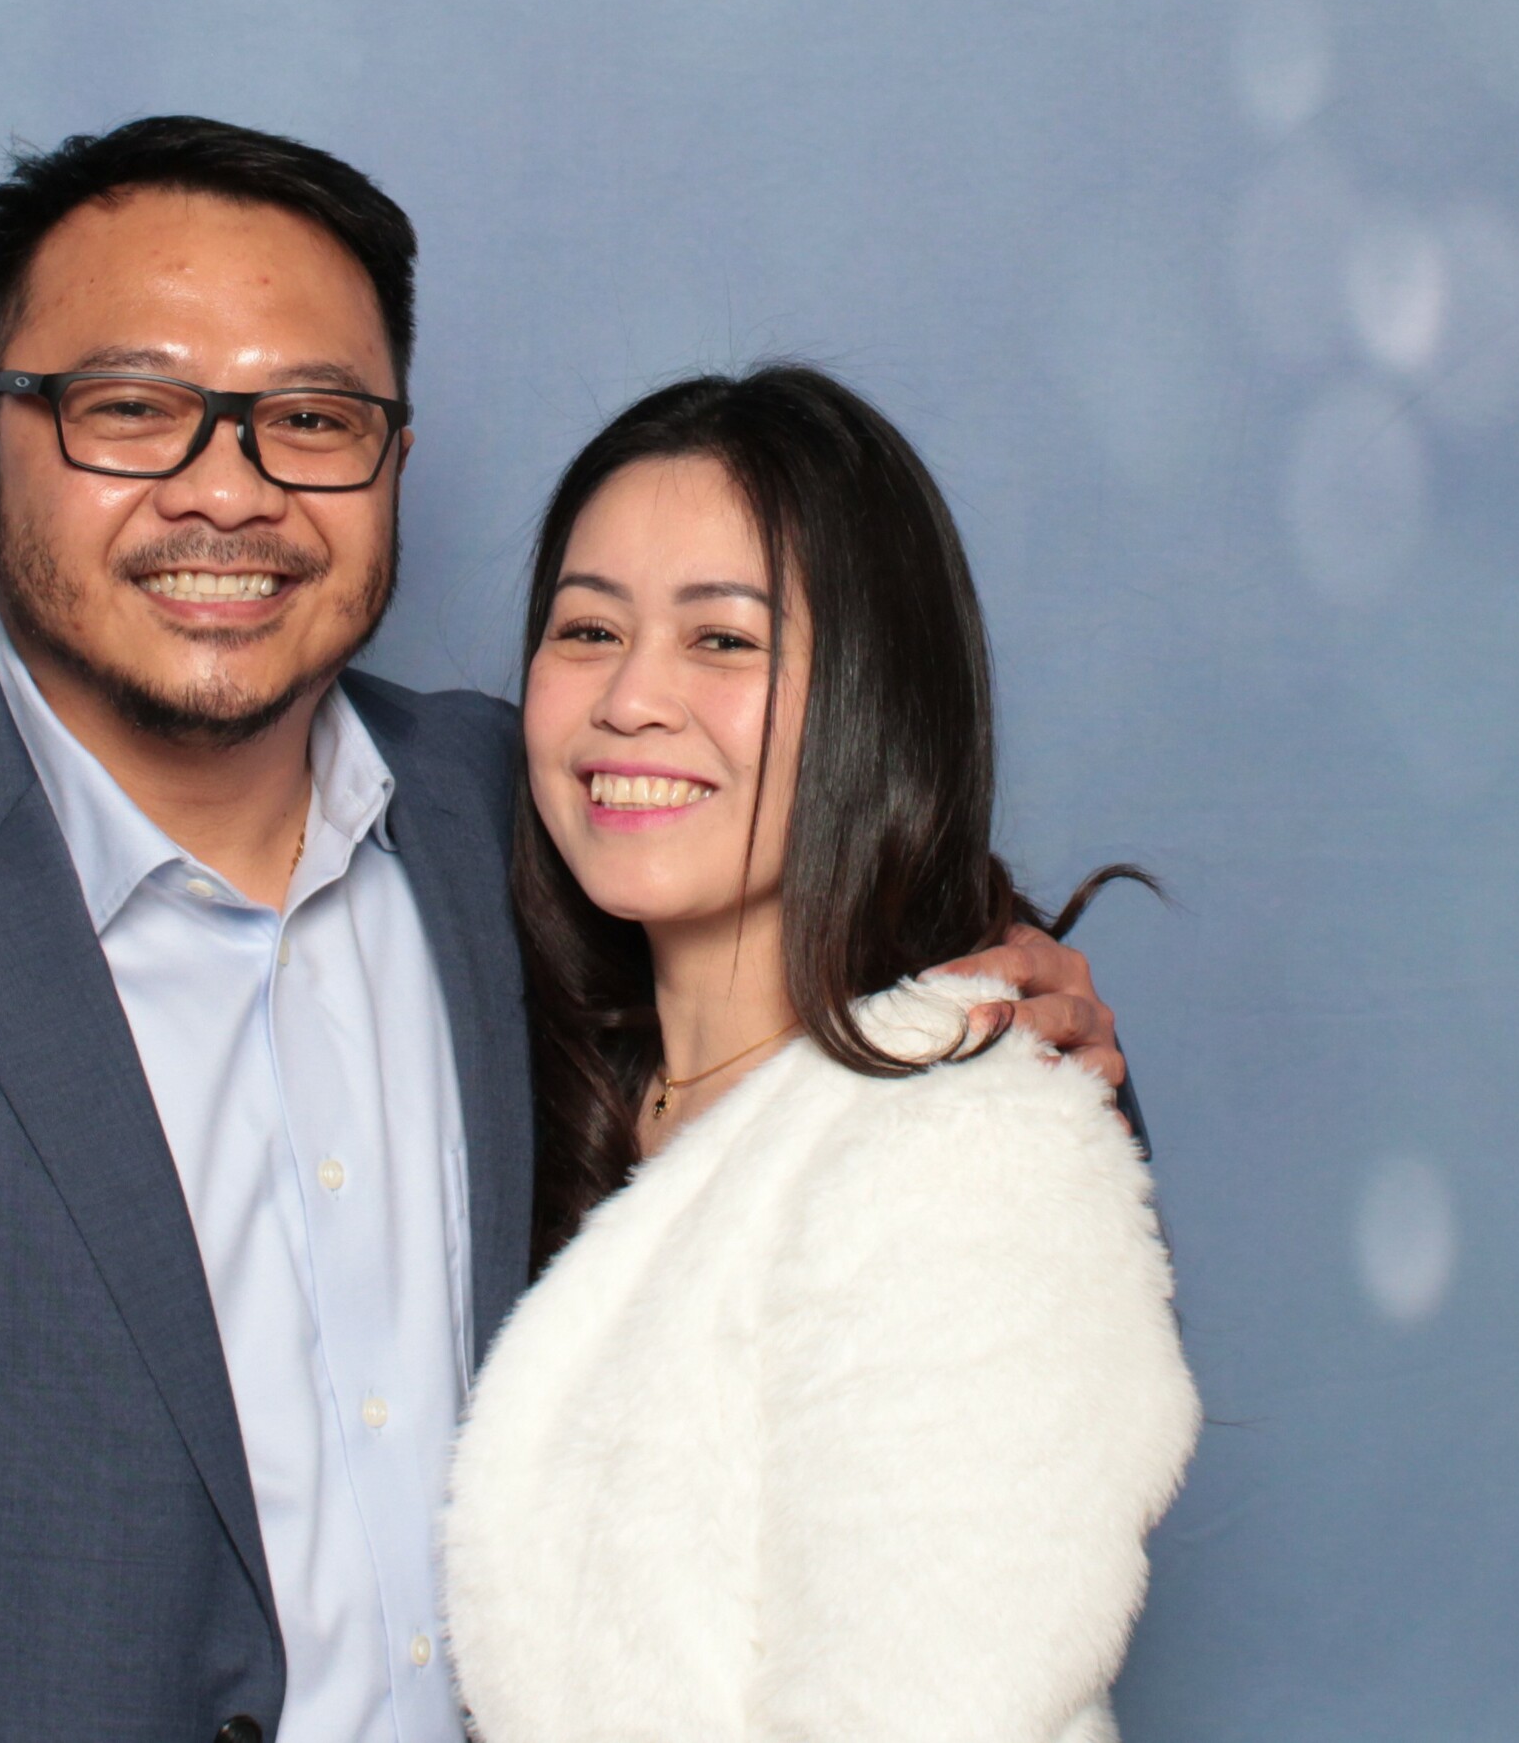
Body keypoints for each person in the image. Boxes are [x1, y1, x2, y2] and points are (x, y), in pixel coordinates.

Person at [0, 117, 1129, 1743]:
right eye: (131, 409)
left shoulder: (540, 818)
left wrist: (1026, 1038)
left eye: (310, 419)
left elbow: (854, 996)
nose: (227, 492)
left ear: (393, 466)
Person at [441, 367, 1199, 1743]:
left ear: (876, 702)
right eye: (588, 629)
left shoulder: (970, 1149)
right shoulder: (538, 1087)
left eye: (723, 641)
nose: (631, 700)